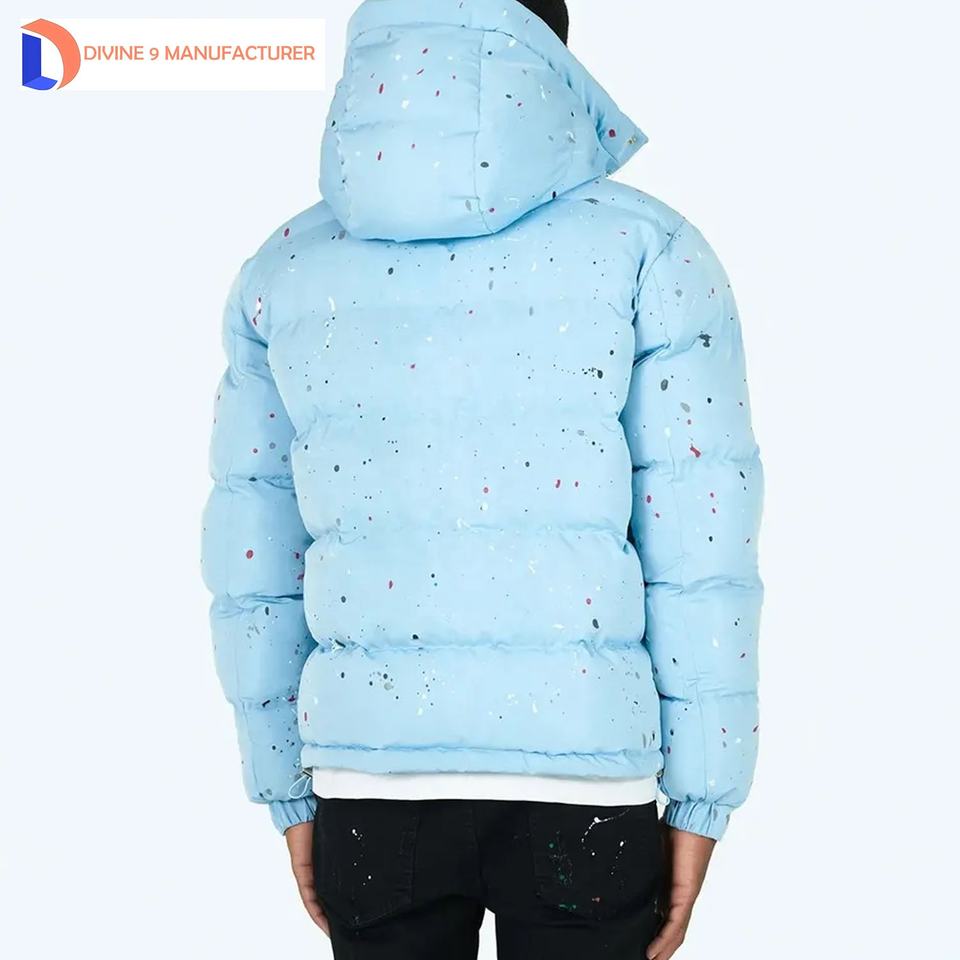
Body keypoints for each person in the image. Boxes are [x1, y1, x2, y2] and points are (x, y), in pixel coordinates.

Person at [201, 0, 764, 957]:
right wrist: (705, 794)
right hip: (587, 782)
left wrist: (284, 781)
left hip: (369, 783)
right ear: (548, 54)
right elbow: (701, 542)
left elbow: (255, 549)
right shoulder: (649, 247)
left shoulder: (287, 266)